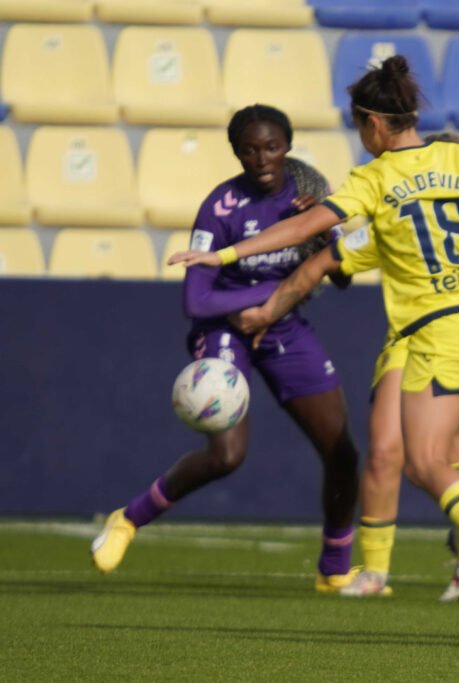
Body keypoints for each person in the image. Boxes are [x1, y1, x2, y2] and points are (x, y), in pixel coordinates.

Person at [170, 57, 459, 605]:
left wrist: (226, 252)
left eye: (358, 126)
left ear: (373, 122)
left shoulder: (374, 181)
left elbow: (303, 232)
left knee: (416, 458)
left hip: (432, 335)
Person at [91, 105, 361, 592]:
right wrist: (275, 294)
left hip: (283, 327)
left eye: (272, 147)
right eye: (251, 150)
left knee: (341, 452)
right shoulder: (220, 207)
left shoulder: (308, 199)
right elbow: (197, 299)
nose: (263, 158)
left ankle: (335, 570)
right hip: (223, 330)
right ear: (237, 153)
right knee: (227, 455)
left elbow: (343, 278)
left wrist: (322, 238)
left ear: (288, 147)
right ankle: (127, 520)